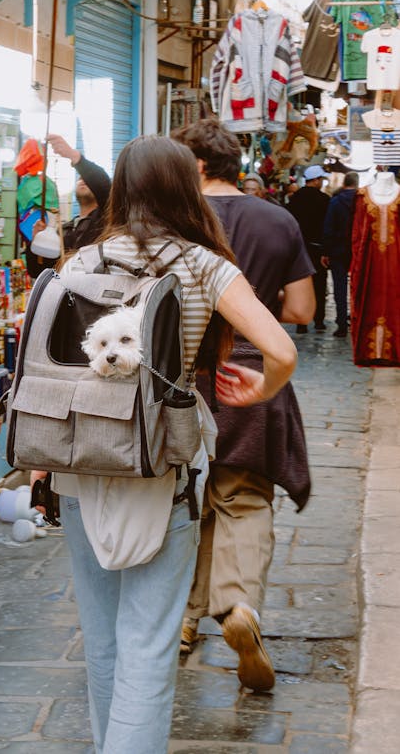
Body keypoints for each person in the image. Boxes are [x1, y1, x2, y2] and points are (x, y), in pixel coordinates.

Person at [31, 136, 298, 751]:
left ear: (122, 187)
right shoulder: (206, 263)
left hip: (80, 462)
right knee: (149, 637)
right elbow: (281, 350)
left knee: (100, 635)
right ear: (187, 186)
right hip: (163, 464)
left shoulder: (83, 261)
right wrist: (259, 389)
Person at [172, 118, 315, 693]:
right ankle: (237, 607)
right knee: (242, 498)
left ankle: (181, 620)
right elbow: (302, 310)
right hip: (251, 376)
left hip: (180, 379)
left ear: (198, 167)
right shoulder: (278, 219)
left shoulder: (176, 223)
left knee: (183, 501)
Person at [25, 133, 111, 277]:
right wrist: (36, 242)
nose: (82, 180)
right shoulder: (63, 231)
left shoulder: (106, 220)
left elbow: (104, 185)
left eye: (87, 178)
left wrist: (74, 157)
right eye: (80, 179)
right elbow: (37, 271)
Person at [287, 164, 331, 332]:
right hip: (317, 249)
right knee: (319, 286)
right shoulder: (325, 200)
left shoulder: (295, 198)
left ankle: (302, 323)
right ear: (317, 180)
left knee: (301, 285)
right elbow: (327, 227)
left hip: (299, 249)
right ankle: (319, 320)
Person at [321, 171, 359, 338]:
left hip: (337, 250)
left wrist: (326, 251)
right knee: (358, 287)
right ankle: (357, 321)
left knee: (339, 287)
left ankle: (342, 323)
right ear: (356, 184)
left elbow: (328, 228)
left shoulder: (336, 202)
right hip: (357, 250)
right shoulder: (362, 202)